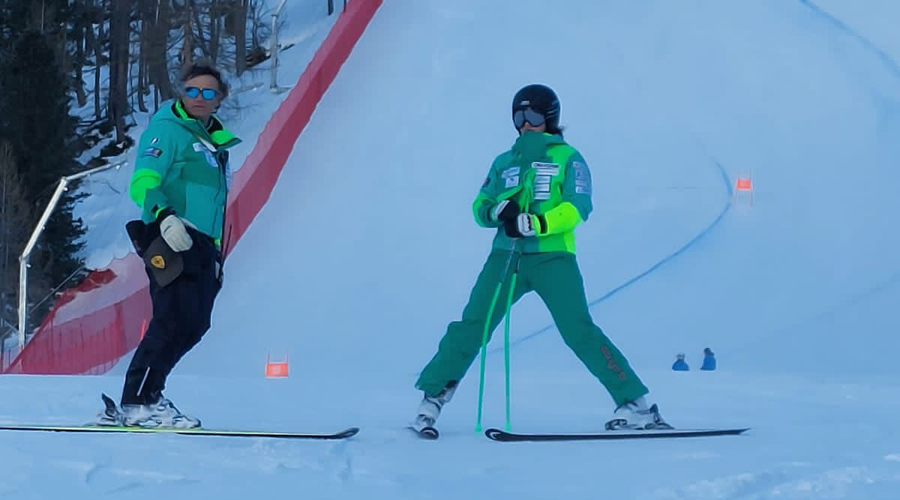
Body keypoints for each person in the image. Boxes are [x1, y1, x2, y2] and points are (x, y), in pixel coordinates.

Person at [413, 84, 670, 432]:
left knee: (578, 329)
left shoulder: (568, 158)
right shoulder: (505, 162)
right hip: (506, 258)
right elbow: (479, 206)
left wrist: (538, 222)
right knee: (473, 325)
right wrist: (496, 212)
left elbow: (578, 206)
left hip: (553, 259)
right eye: (518, 116)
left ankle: (635, 404)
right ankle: (432, 397)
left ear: (550, 117)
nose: (525, 123)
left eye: (533, 115)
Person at [97, 61, 241, 428]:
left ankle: (150, 394)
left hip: (203, 244)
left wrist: (217, 253)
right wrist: (164, 215)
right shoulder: (168, 130)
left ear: (220, 99)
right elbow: (144, 180)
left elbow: (215, 204)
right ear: (181, 92)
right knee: (172, 318)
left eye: (209, 92)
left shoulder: (215, 144)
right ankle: (138, 400)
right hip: (173, 233)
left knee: (195, 324)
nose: (199, 98)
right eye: (192, 90)